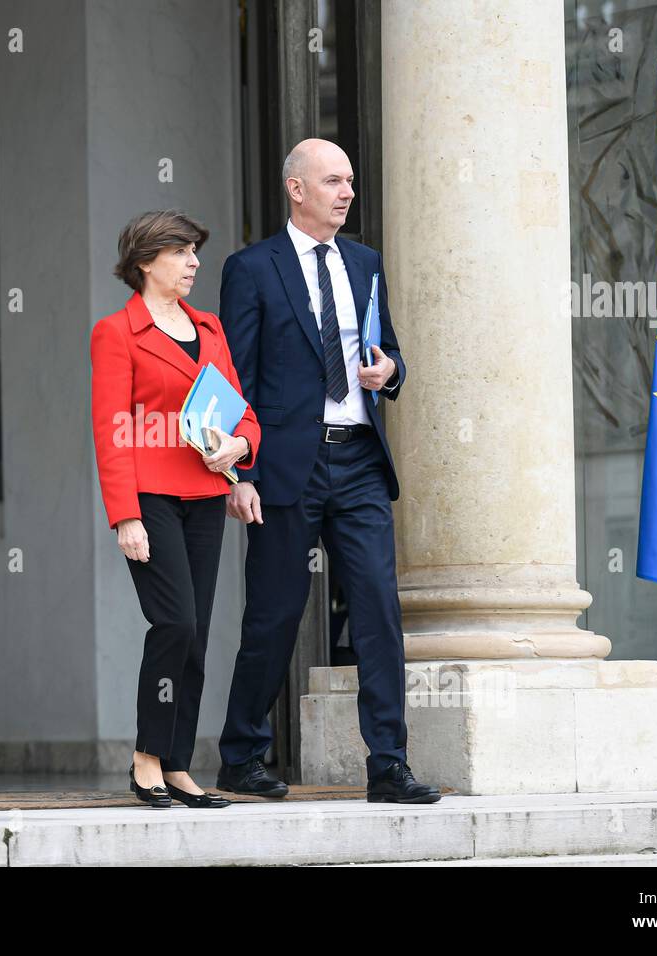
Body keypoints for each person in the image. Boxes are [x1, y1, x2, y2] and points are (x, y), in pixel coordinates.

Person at [215, 139, 441, 804]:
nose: (347, 192)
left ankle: (389, 764)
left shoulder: (366, 264)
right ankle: (241, 754)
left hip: (360, 458)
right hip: (285, 465)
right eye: (333, 181)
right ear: (297, 189)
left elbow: (388, 350)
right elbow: (234, 378)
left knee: (377, 608)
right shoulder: (251, 268)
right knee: (275, 613)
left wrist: (389, 370)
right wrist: (240, 475)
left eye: (349, 181)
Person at [90, 210, 262, 809]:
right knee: (176, 623)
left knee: (197, 636)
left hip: (207, 495)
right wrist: (125, 514)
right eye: (182, 252)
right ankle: (147, 758)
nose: (193, 262)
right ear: (145, 261)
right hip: (151, 497)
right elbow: (111, 431)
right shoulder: (116, 333)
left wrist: (241, 450)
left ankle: (180, 765)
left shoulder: (209, 328)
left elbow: (241, 412)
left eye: (195, 251)